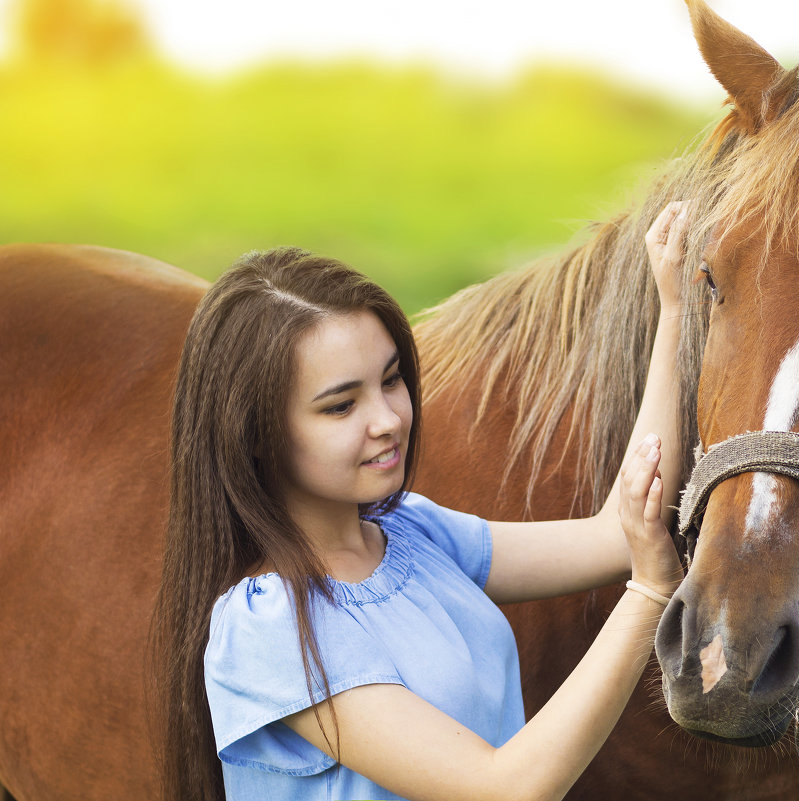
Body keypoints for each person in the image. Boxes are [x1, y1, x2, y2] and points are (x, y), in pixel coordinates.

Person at [152, 202, 690, 801]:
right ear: (254, 434)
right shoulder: (269, 627)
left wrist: (674, 314)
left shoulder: (413, 534)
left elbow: (615, 535)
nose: (388, 419)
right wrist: (649, 594)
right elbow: (505, 790)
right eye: (340, 406)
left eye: (390, 380)